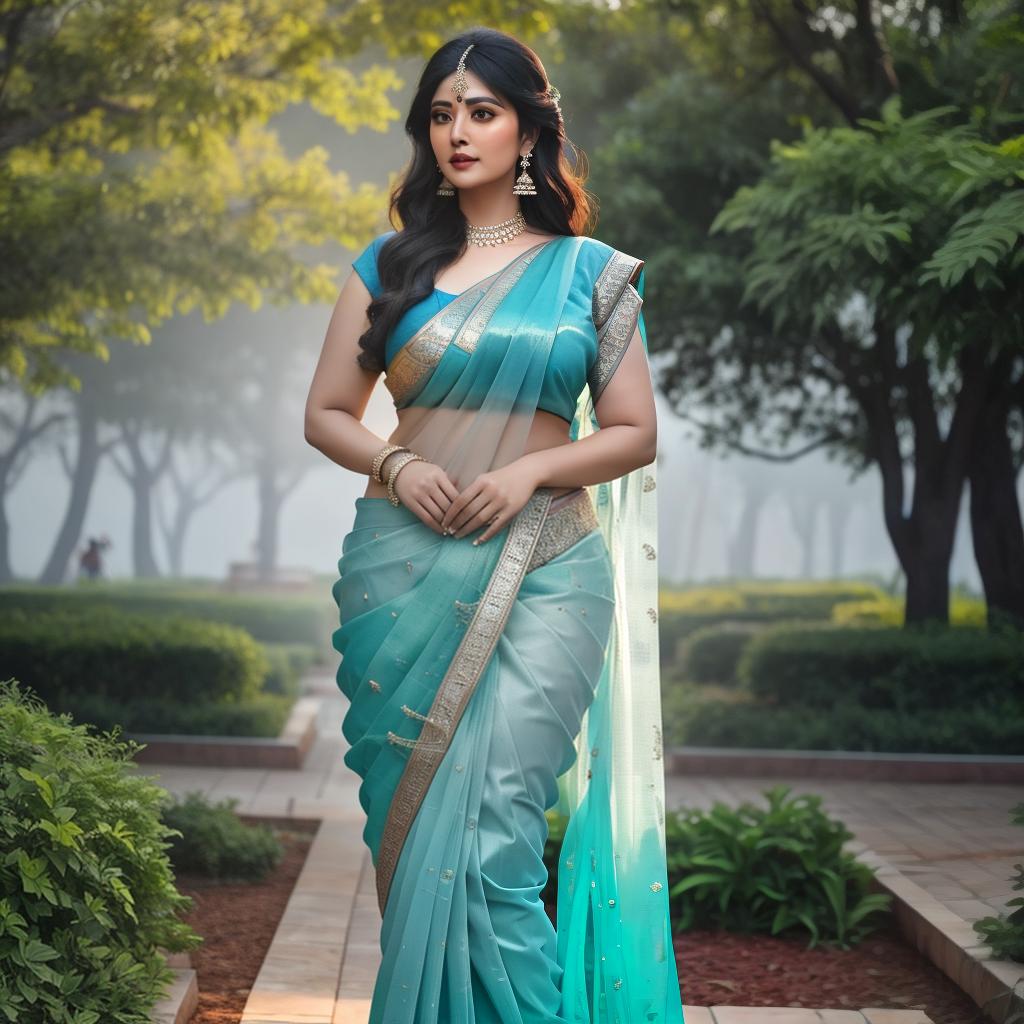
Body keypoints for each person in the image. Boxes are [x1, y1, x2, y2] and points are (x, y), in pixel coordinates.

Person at [304, 26, 685, 1023]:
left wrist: (530, 473)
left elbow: (637, 432)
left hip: (551, 566)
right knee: (420, 825)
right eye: (440, 113)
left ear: (526, 131)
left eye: (481, 111)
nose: (457, 131)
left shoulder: (591, 273)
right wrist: (397, 459)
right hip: (401, 568)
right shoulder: (387, 266)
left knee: (498, 833)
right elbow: (326, 414)